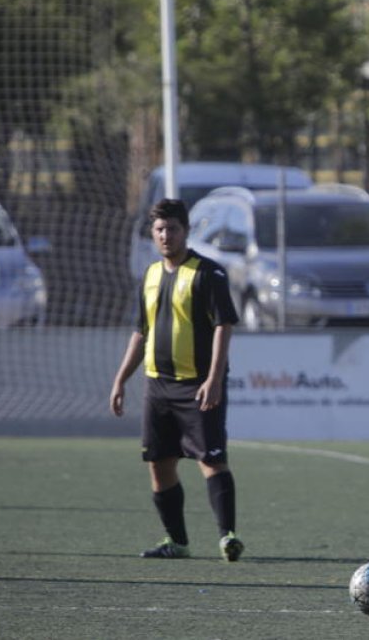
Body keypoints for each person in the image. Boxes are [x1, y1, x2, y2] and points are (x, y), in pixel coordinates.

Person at [109, 198, 243, 561]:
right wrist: (121, 379)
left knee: (211, 460)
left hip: (197, 384)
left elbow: (223, 326)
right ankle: (177, 542)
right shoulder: (151, 275)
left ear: (187, 231)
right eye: (160, 230)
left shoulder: (207, 273)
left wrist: (214, 378)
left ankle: (227, 536)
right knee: (159, 462)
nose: (166, 235)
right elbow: (141, 332)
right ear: (153, 234)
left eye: (173, 229)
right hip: (158, 385)